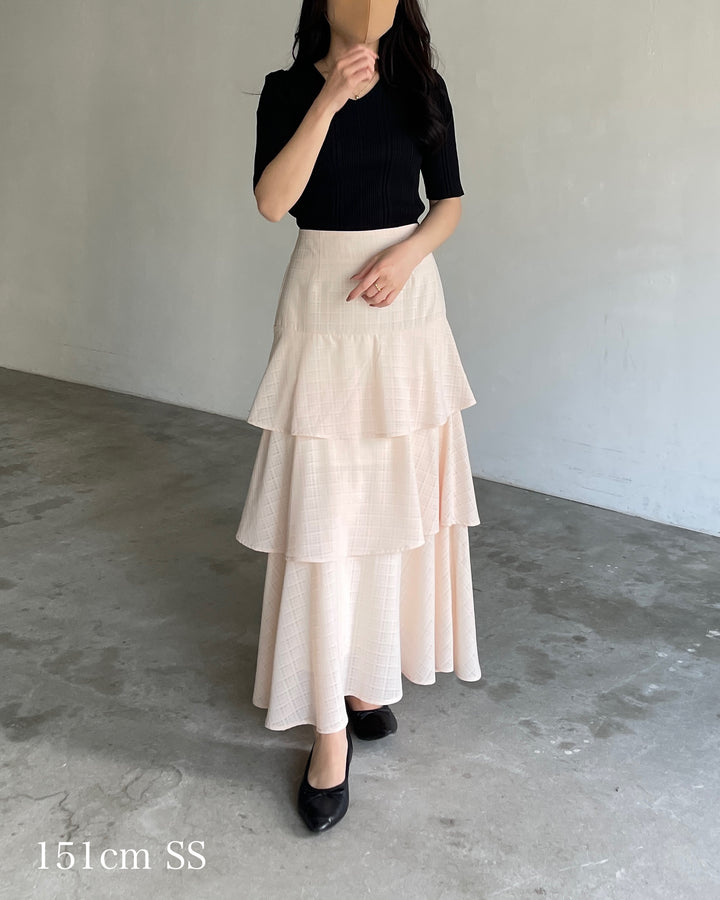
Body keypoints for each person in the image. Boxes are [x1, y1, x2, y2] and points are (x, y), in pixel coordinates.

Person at [236, 0, 482, 833]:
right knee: (325, 514)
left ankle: (368, 679)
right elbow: (273, 202)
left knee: (392, 505)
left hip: (405, 310)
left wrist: (407, 255)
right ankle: (329, 732)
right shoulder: (287, 90)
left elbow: (448, 202)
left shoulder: (423, 87)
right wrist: (330, 98)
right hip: (324, 310)